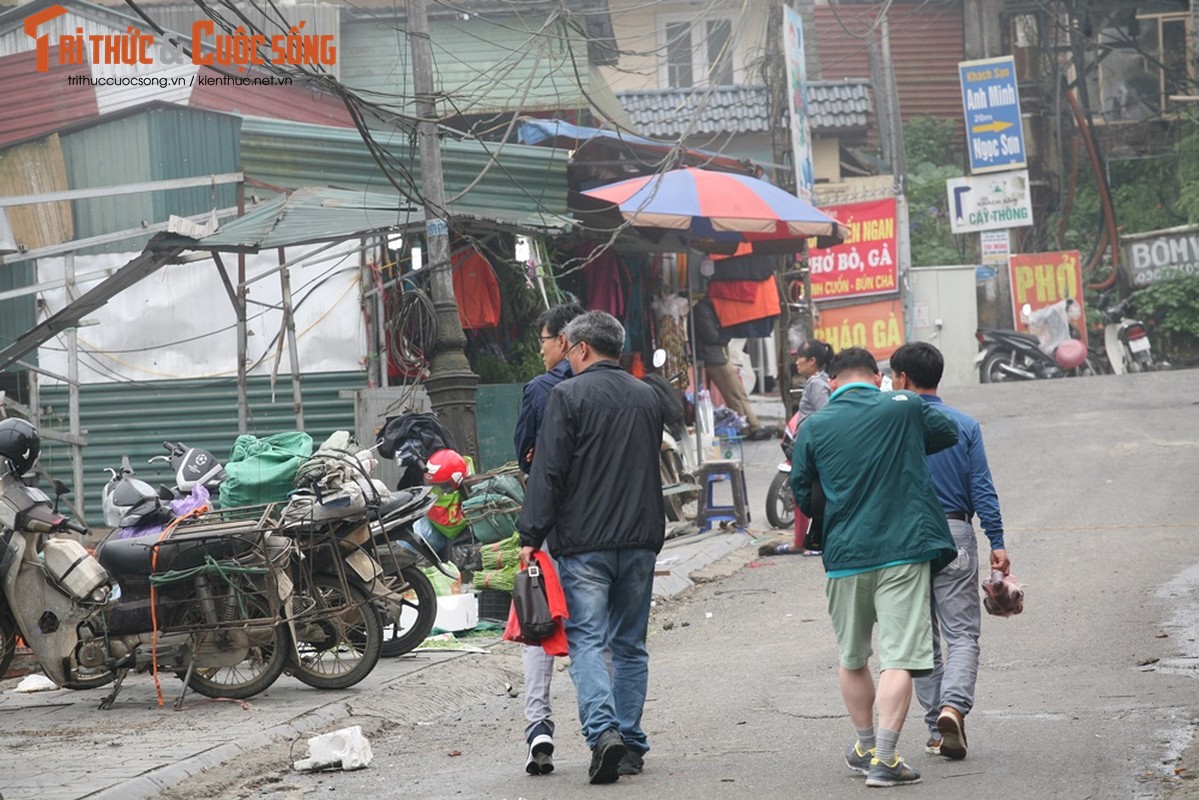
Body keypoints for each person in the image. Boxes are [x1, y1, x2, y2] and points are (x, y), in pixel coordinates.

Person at [791, 347, 958, 788]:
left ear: (832, 383)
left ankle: (864, 746)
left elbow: (802, 493)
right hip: (903, 550)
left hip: (844, 555)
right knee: (899, 656)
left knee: (852, 656)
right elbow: (947, 432)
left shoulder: (814, 424)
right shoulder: (901, 406)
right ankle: (885, 759)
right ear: (879, 376)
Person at [517, 310, 665, 784]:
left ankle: (604, 734)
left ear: (580, 349)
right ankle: (632, 743)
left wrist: (529, 535)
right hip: (640, 539)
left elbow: (549, 472)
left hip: (584, 544)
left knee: (587, 639)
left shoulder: (567, 394)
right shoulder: (647, 396)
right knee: (629, 644)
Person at [889, 341, 1010, 762]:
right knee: (961, 632)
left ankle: (935, 729)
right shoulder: (964, 424)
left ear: (902, 379)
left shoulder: (890, 425)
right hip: (955, 532)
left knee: (922, 637)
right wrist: (996, 540)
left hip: (904, 537)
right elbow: (981, 487)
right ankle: (953, 709)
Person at [510, 302, 585, 775]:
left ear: (563, 342)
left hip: (549, 529)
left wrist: (530, 532)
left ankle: (538, 725)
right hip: (603, 529)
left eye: (542, 340)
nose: (540, 350)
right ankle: (608, 727)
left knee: (539, 626)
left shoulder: (542, 390)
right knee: (596, 631)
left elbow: (526, 459)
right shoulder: (618, 389)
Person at [761, 340, 835, 557]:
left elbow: (825, 413)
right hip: (809, 445)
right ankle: (801, 541)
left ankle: (810, 542)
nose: (796, 362)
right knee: (801, 492)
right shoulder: (817, 381)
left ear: (812, 361)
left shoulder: (816, 384)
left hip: (812, 448)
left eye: (799, 357)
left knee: (807, 492)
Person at [692, 295, 772, 440]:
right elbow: (711, 335)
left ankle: (752, 426)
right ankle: (748, 427)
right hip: (713, 357)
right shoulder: (702, 310)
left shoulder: (709, 309)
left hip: (718, 356)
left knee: (737, 392)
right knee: (734, 393)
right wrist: (725, 337)